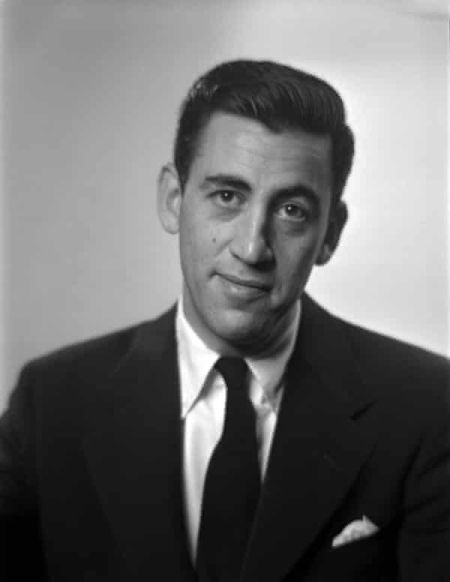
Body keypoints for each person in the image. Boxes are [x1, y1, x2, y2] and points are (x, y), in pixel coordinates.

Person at [1, 59, 449, 582]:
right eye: (227, 197)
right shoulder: (51, 403)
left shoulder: (428, 408)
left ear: (331, 233)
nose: (252, 248)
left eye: (292, 210)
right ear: (174, 200)